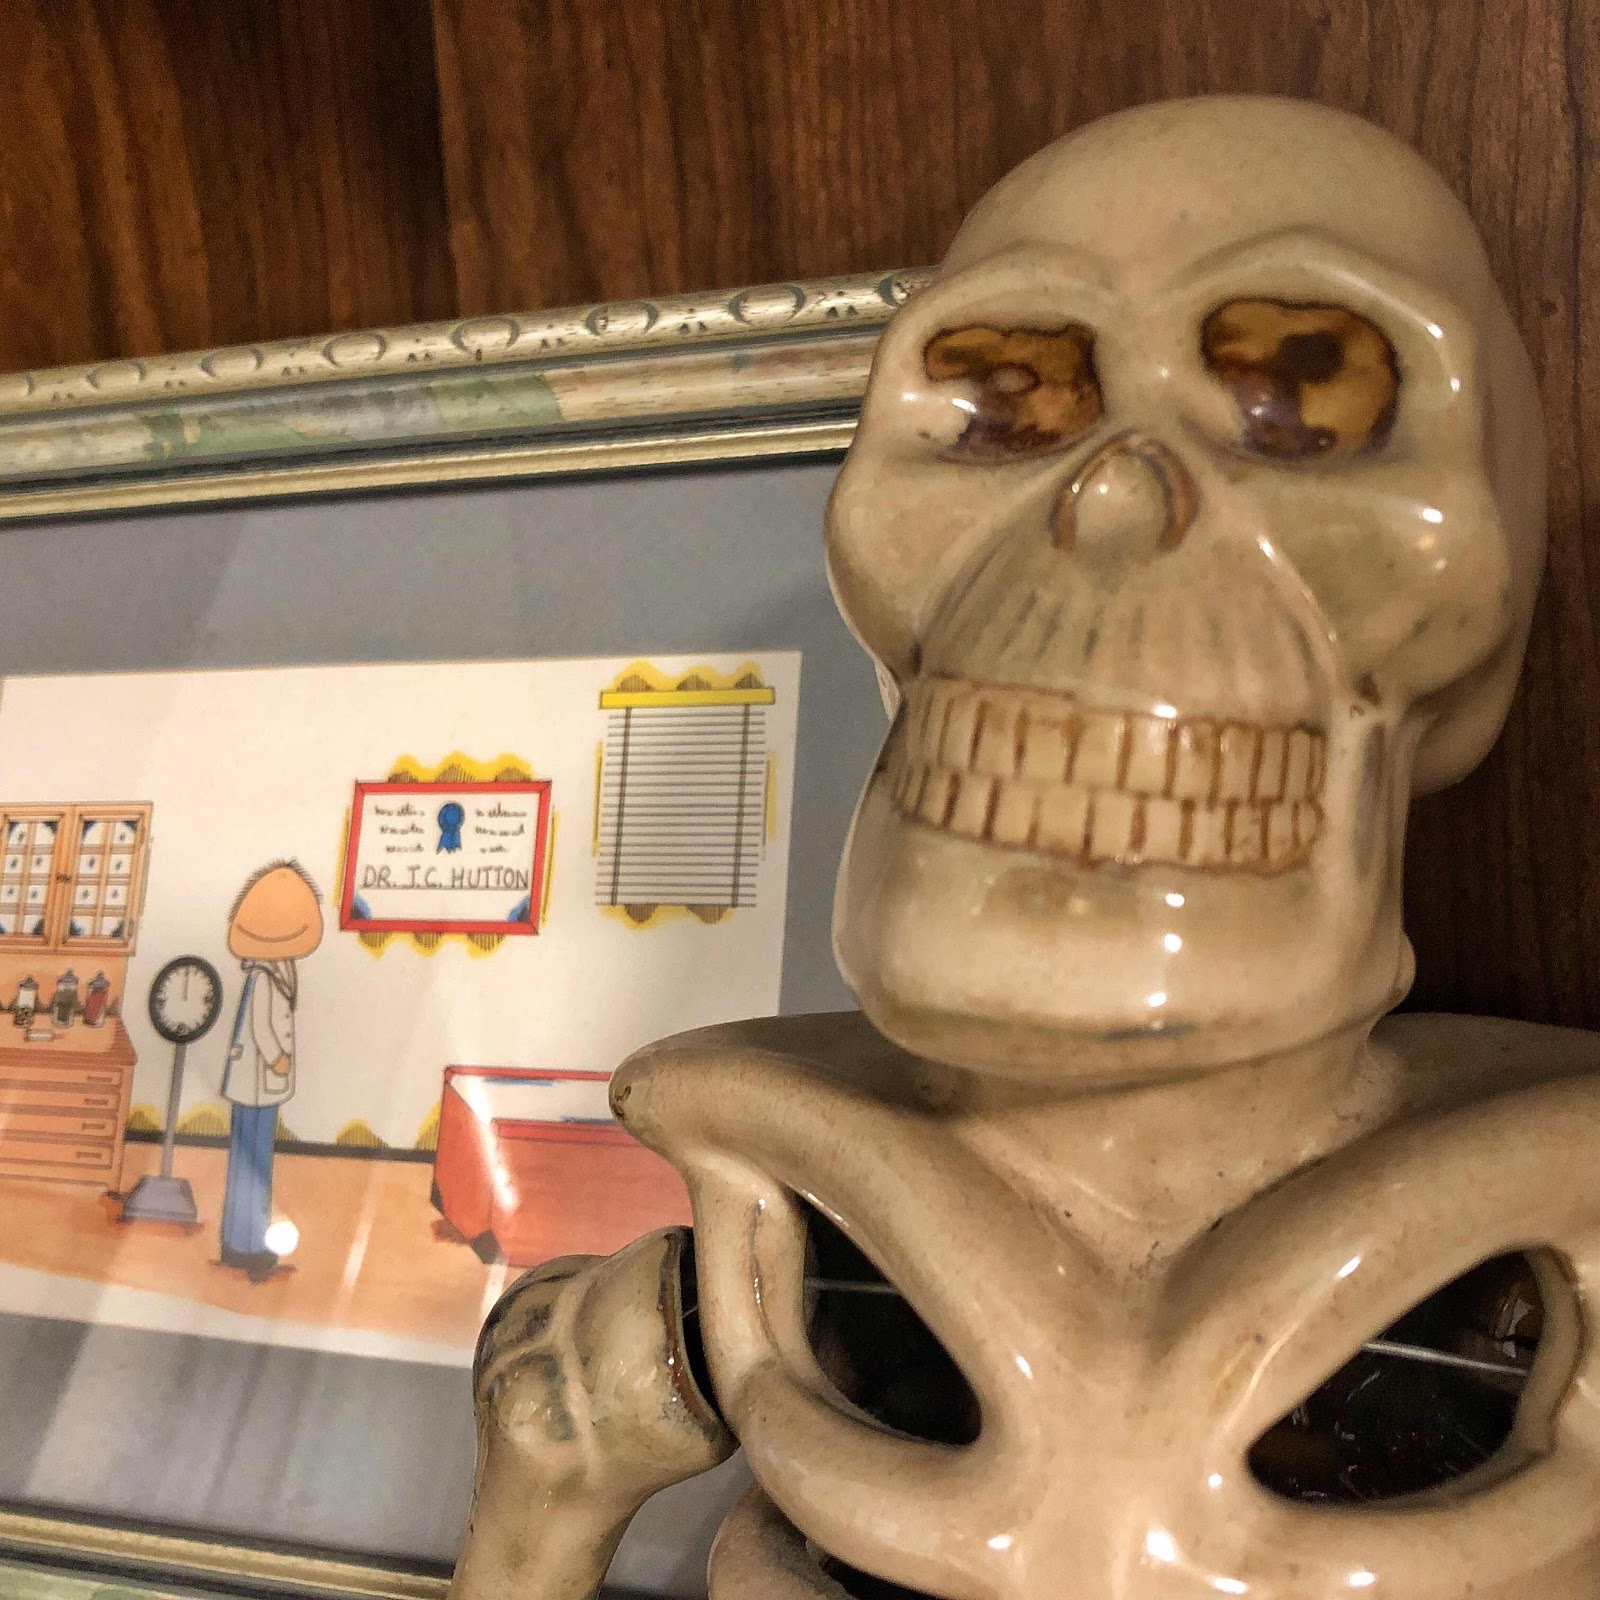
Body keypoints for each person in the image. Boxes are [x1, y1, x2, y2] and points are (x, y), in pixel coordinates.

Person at [218, 860, 324, 1282]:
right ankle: (245, 1245)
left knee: (254, 1161)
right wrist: (278, 1057)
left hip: (261, 1084)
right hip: (257, 1083)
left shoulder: (277, 969)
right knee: (252, 1163)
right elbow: (261, 1026)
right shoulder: (264, 975)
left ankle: (243, 1242)